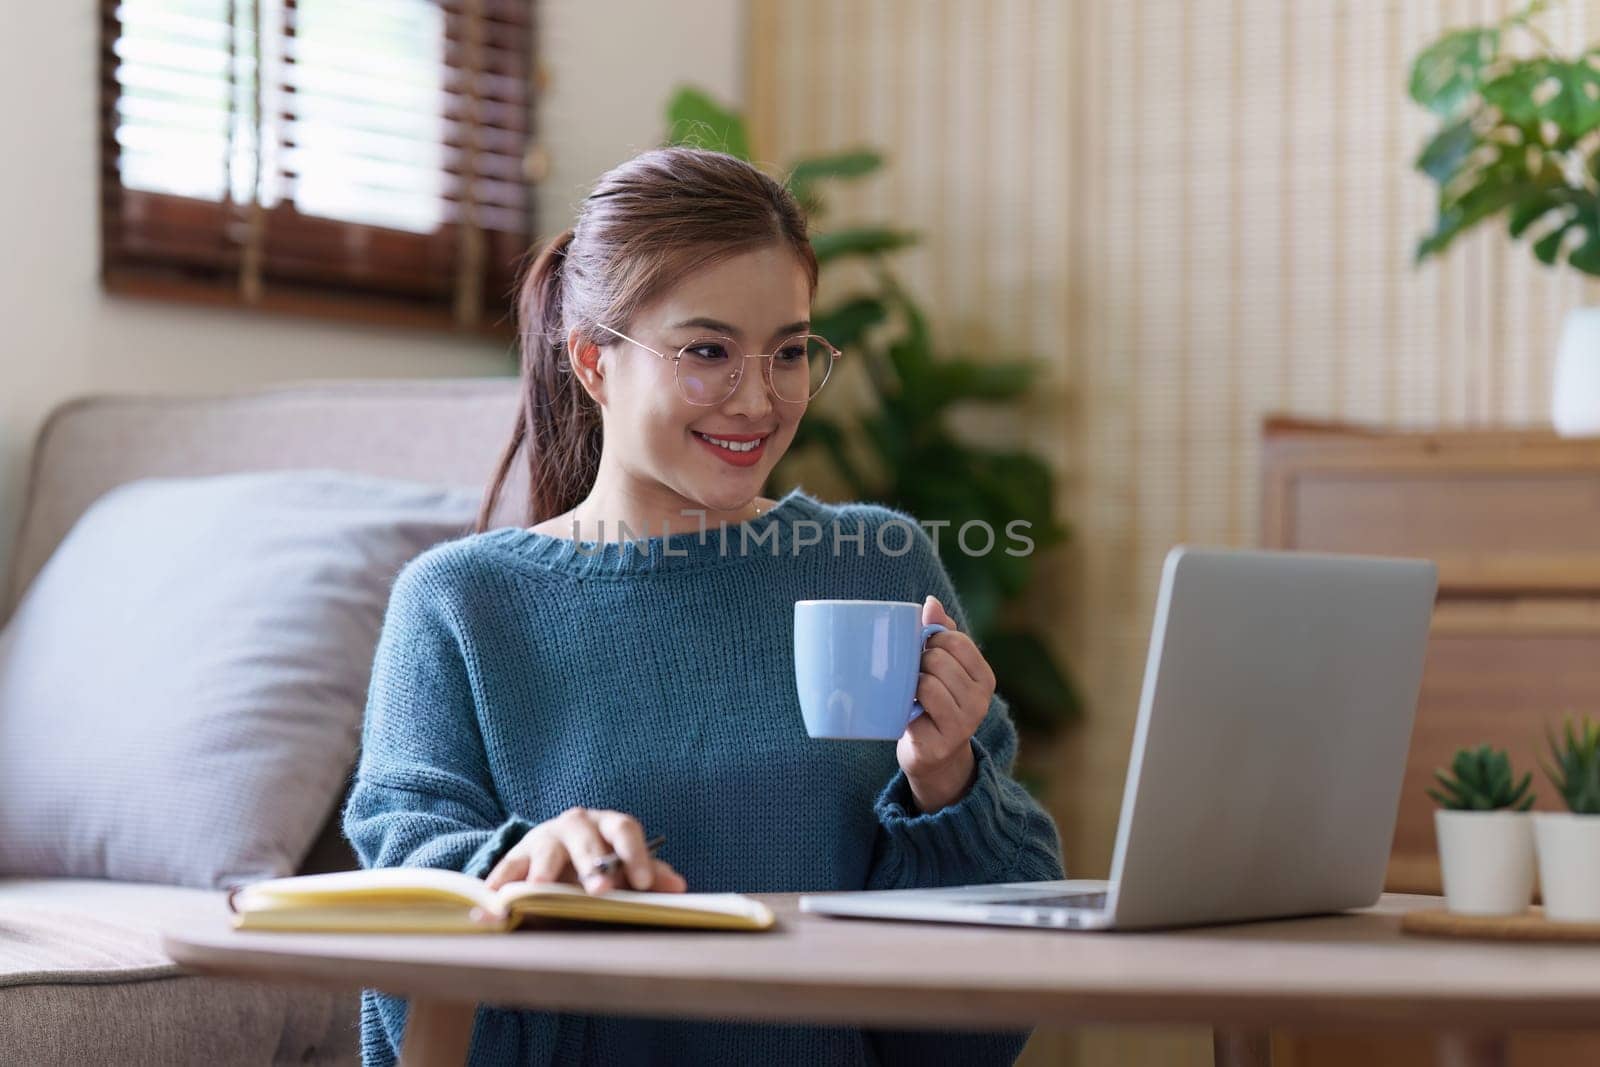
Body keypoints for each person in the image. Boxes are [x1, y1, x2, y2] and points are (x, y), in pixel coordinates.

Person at [342, 146, 1065, 1066]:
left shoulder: (879, 564)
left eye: (791, 352)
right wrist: (526, 867)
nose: (758, 399)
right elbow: (402, 884)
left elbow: (979, 1016)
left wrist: (949, 783)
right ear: (594, 363)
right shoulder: (460, 603)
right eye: (707, 351)